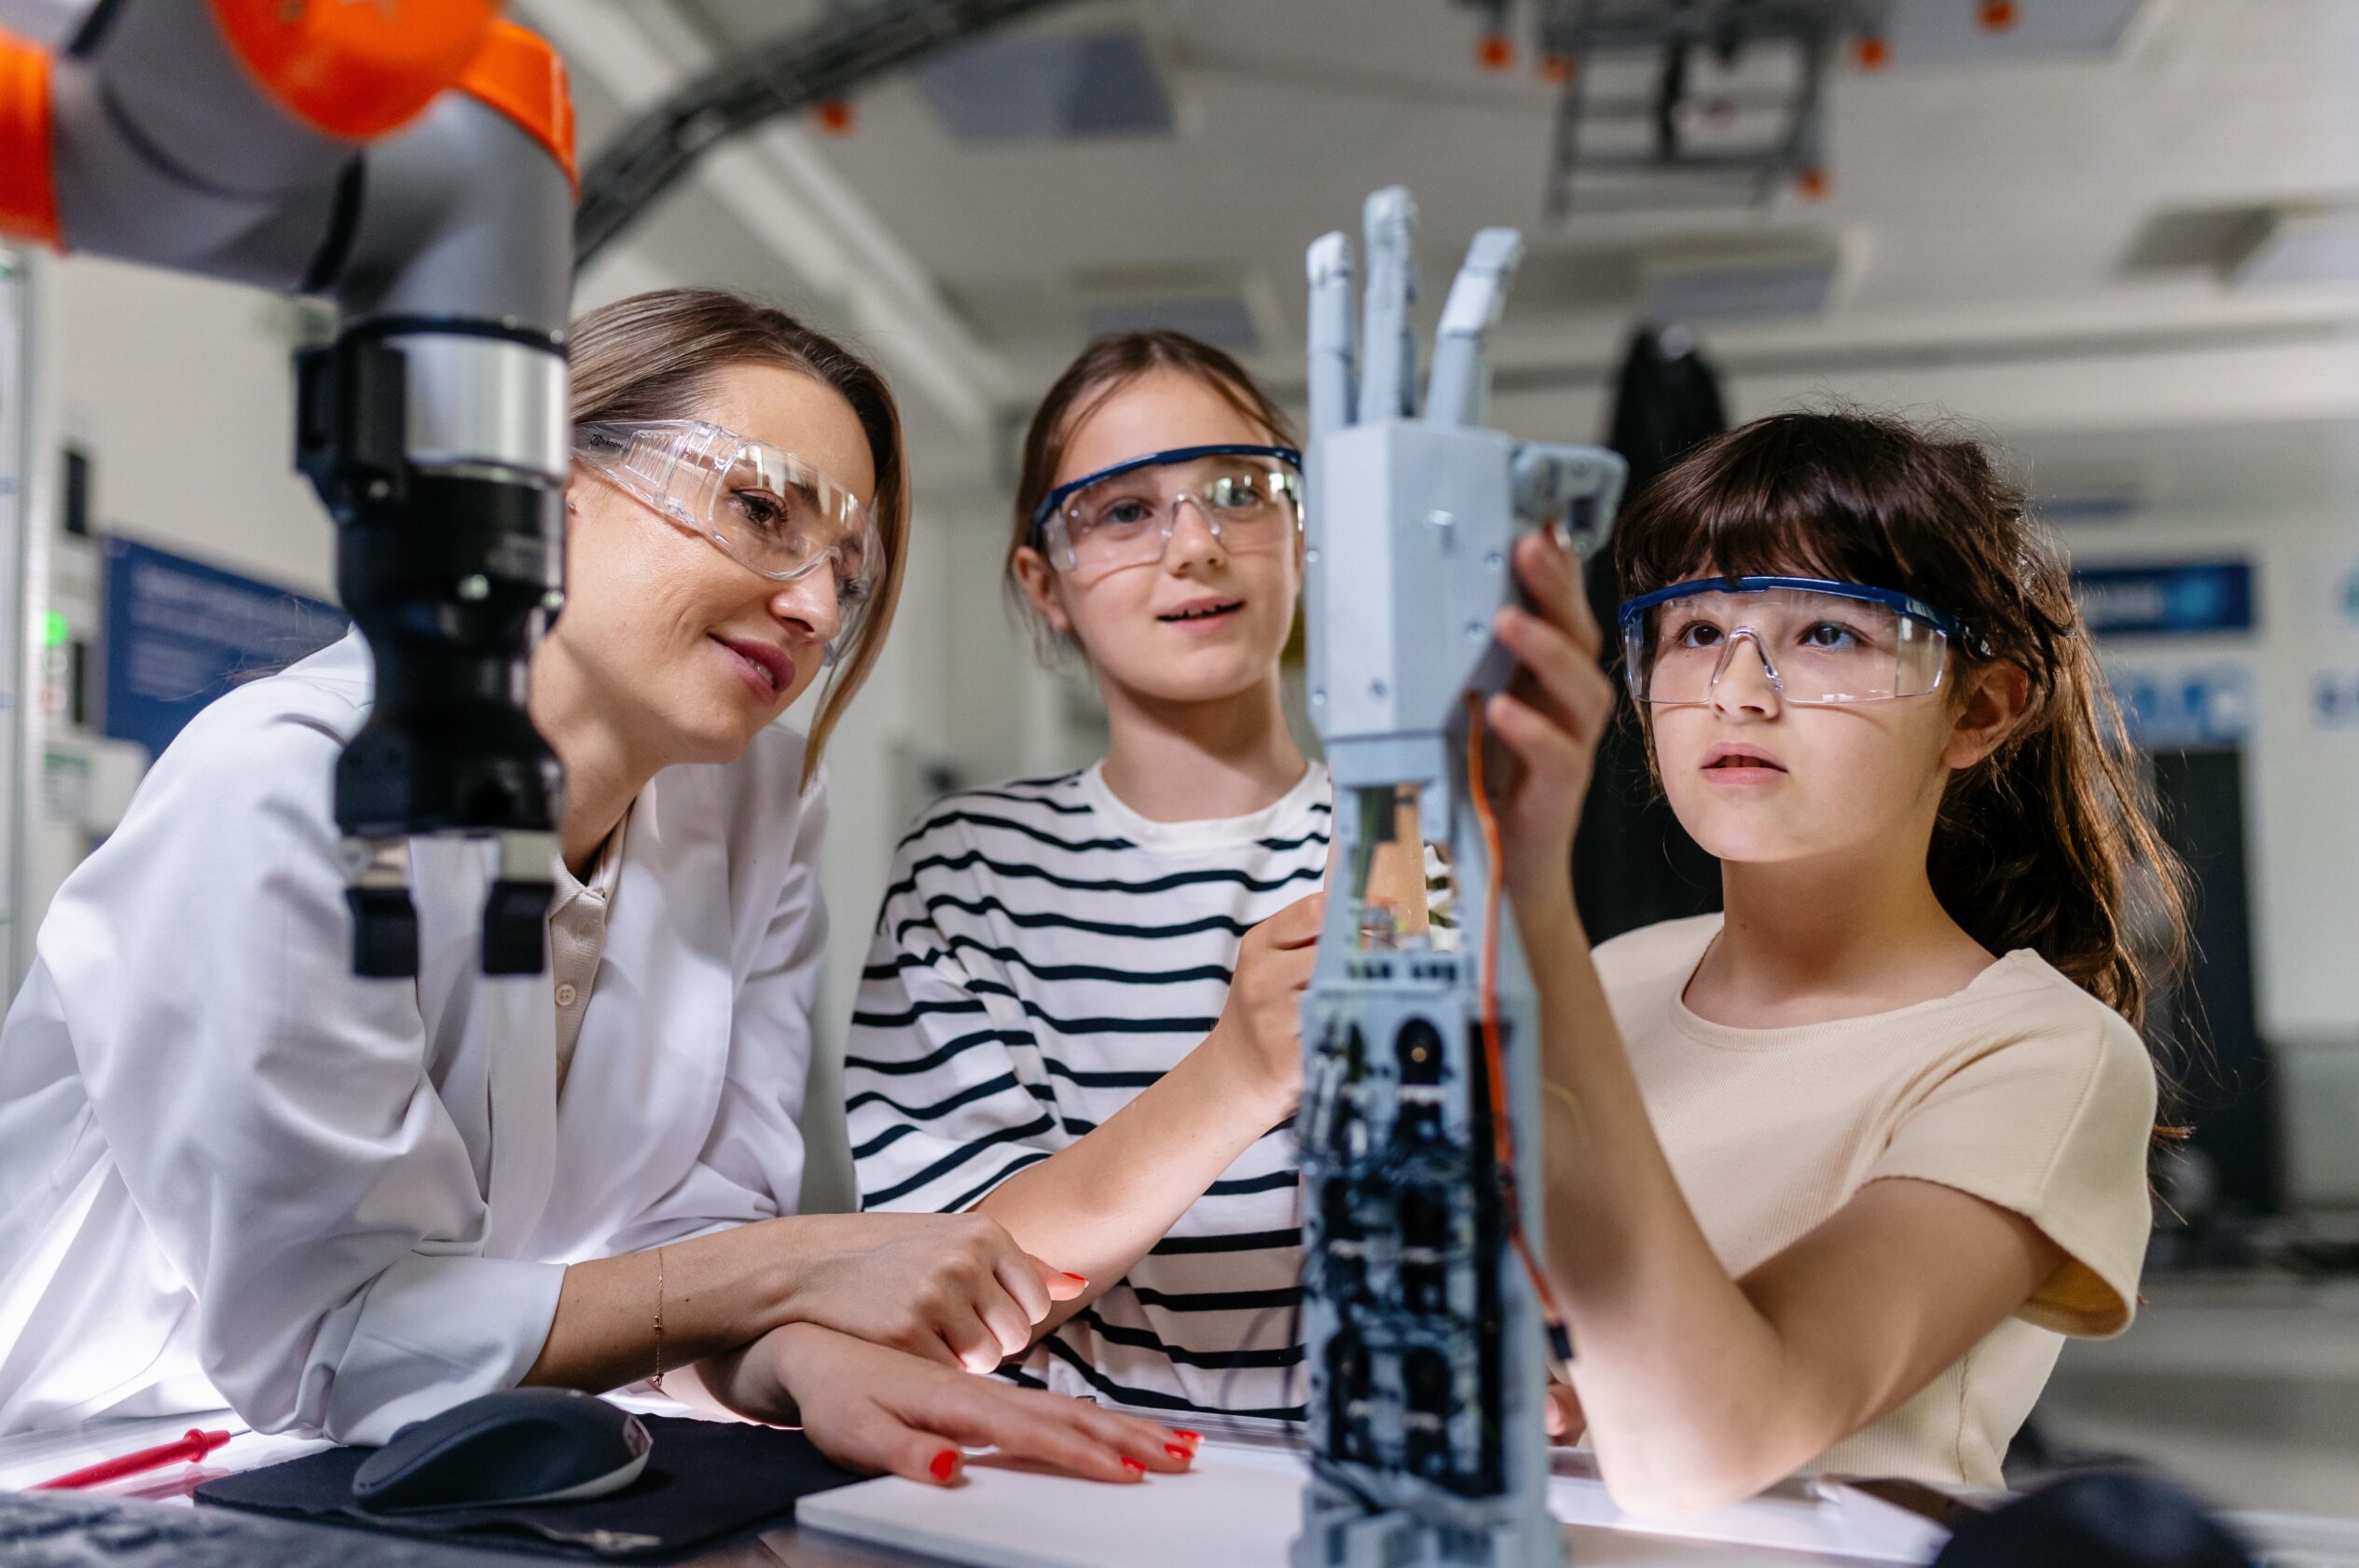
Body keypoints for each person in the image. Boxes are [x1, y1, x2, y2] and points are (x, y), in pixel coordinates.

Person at [0, 289, 1190, 1490]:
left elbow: (680, 1264)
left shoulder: (757, 803)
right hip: (86, 1462)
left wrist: (797, 1359)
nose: (817, 608)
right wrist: (789, 1274)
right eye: (762, 508)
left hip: (433, 1463)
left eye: (847, 569)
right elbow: (335, 1340)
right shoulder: (289, 786)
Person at [1489, 410, 2187, 1510]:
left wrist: (1522, 900)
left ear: (1980, 708)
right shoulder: (1616, 977)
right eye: (1694, 631)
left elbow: (1719, 1440)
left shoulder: (2039, 1057)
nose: (1739, 690)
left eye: (1829, 634)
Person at [843, 332, 1352, 1420]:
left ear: (1300, 532)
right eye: (1124, 512)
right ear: (1047, 583)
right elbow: (942, 1276)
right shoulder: (969, 870)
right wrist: (1237, 1075)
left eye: (1238, 491)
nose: (1197, 545)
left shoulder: (1413, 848)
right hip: (1074, 1483)